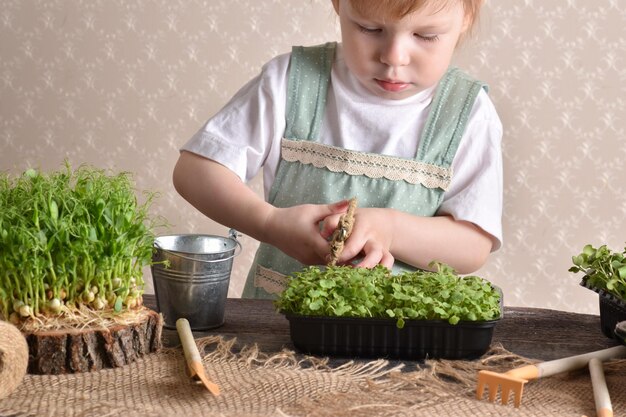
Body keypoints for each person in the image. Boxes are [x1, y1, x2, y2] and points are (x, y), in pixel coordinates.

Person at [173, 0, 503, 299]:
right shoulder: (292, 82)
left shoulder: (467, 112)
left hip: (402, 348)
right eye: (370, 29)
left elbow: (472, 245)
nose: (394, 57)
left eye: (426, 35)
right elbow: (195, 171)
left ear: (466, 17)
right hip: (279, 336)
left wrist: (390, 229)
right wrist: (271, 223)